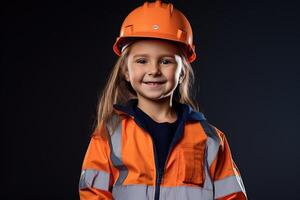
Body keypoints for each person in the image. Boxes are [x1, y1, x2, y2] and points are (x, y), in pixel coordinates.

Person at [79, 0, 247, 199]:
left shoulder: (210, 139)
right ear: (125, 70)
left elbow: (232, 196)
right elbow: (93, 194)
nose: (153, 71)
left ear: (182, 71)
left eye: (166, 61)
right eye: (142, 61)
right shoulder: (109, 134)